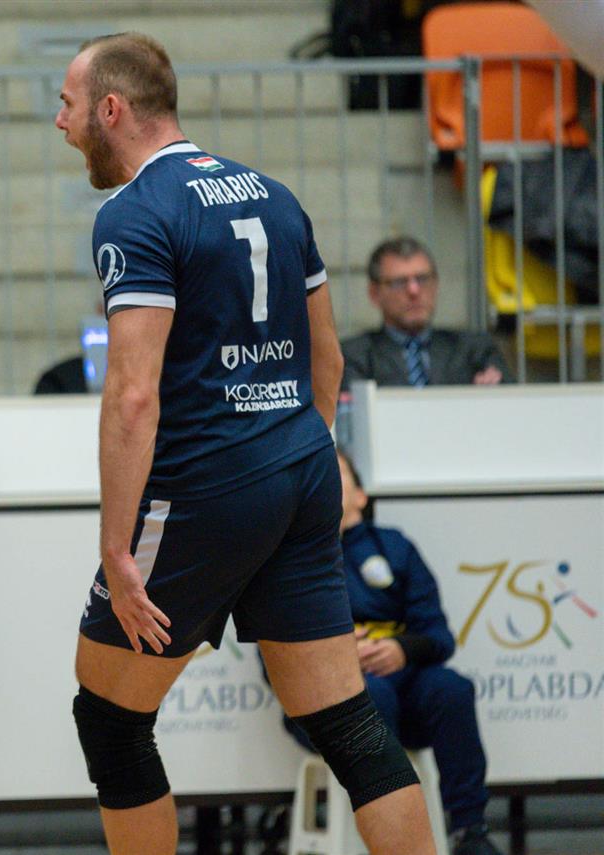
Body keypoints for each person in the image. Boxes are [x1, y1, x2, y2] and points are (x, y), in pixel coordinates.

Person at [55, 33, 436, 855]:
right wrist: (295, 456)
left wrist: (117, 549)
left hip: (204, 482)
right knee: (346, 720)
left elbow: (132, 395)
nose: (61, 121)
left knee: (110, 718)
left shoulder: (135, 212)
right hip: (302, 468)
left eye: (68, 104)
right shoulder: (274, 194)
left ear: (110, 110)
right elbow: (328, 358)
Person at [282, 451, 499, 855]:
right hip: (325, 703)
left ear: (361, 496)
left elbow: (438, 636)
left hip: (405, 689)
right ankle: (389, 838)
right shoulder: (290, 555)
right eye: (317, 473)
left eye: (336, 472)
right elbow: (272, 658)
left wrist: (402, 648)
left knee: (451, 689)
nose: (326, 480)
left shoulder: (395, 547)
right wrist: (335, 653)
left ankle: (470, 831)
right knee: (372, 697)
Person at [341, 237, 509, 388]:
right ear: (374, 293)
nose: (414, 290)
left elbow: (511, 399)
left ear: (436, 285)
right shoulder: (354, 356)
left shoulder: (473, 350)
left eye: (422, 279)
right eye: (399, 282)